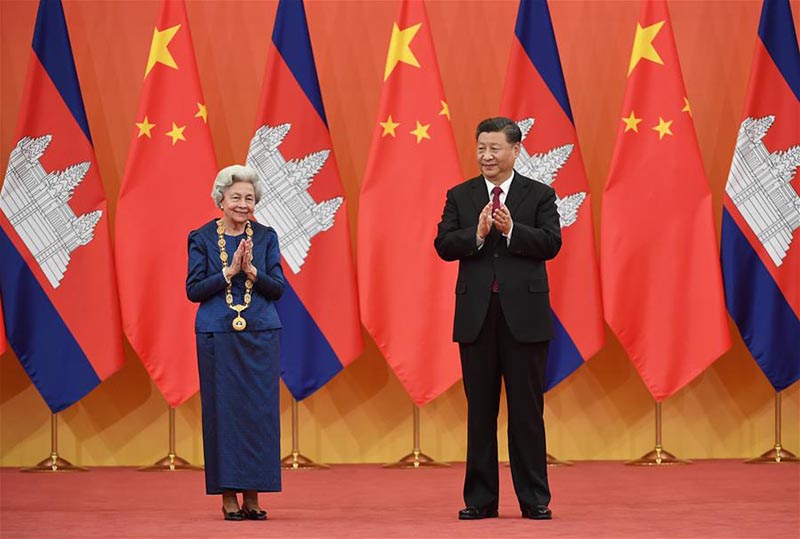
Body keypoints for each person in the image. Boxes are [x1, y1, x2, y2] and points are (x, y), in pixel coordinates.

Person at [434, 117, 562, 521]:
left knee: (527, 412)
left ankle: (534, 499)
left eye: (494, 148)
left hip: (524, 319)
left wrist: (511, 231)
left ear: (515, 151)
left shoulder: (539, 194)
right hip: (477, 319)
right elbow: (443, 245)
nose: (486, 156)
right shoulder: (461, 195)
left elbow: (552, 243)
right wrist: (476, 233)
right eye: (481, 148)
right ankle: (480, 500)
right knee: (480, 412)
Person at [186, 164, 285, 521]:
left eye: (249, 198)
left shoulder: (266, 236)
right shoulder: (201, 238)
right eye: (236, 198)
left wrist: (253, 272)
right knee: (223, 415)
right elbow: (193, 290)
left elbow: (278, 289)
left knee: (258, 416)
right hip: (217, 335)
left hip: (260, 333)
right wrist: (228, 273)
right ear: (221, 200)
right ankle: (228, 495)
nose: (243, 204)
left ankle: (254, 496)